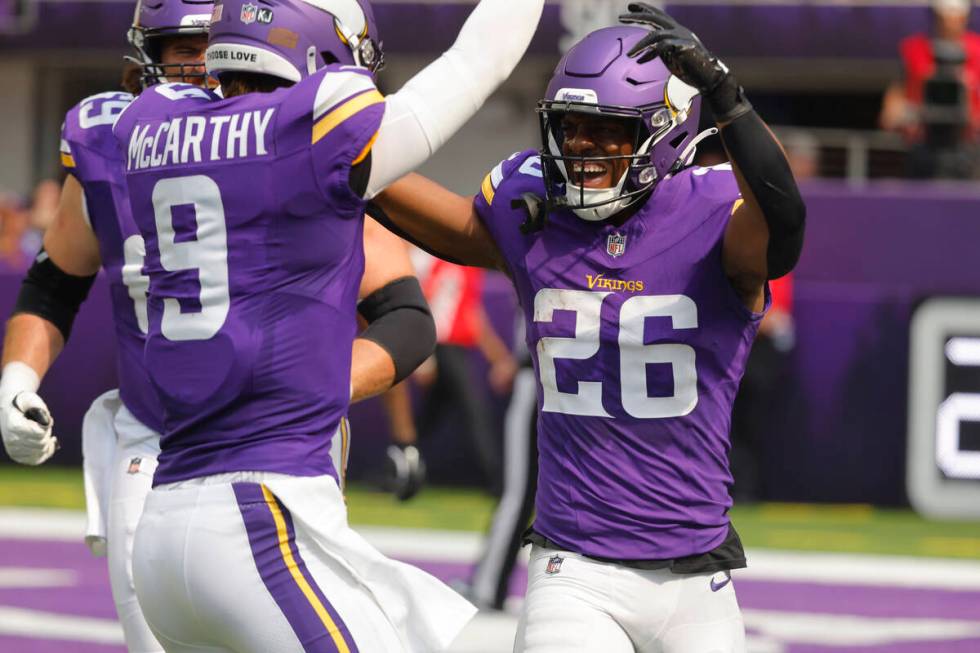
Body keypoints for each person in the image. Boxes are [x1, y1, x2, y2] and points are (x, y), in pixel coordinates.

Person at [0, 1, 433, 651]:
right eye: (186, 49)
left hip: (278, 451)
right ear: (141, 63)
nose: (209, 66)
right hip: (154, 439)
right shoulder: (103, 141)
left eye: (224, 46)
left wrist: (303, 392)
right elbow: (55, 283)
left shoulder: (300, 140)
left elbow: (403, 315)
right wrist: (16, 377)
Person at [111, 0, 543, 651]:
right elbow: (478, 61)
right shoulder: (317, 130)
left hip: (166, 519)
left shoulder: (146, 124)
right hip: (257, 519)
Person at [371, 5, 806, 651]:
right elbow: (448, 223)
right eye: (570, 127)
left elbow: (784, 225)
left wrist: (726, 97)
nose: (580, 147)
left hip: (698, 580)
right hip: (574, 569)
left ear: (663, 135)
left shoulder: (712, 215)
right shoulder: (536, 213)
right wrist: (334, 152)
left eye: (606, 131)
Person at [880, 0, 980, 177]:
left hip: (970, 147)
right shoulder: (913, 49)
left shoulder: (978, 50)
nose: (950, 23)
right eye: (944, 17)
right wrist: (903, 114)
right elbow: (893, 105)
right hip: (922, 145)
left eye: (956, 17)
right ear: (935, 16)